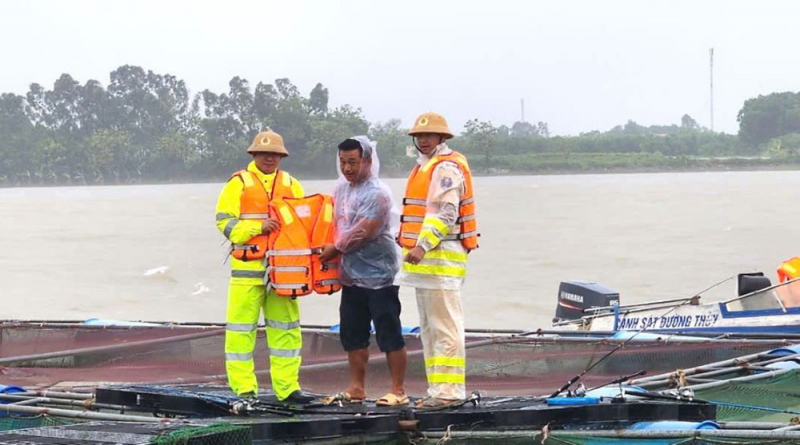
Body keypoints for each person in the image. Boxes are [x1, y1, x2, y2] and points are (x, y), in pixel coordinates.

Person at [215, 130, 315, 405]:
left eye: (274, 154)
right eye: (263, 153)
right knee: (240, 332)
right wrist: (258, 227)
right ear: (254, 154)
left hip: (284, 273)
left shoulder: (292, 184)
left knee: (286, 329)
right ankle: (244, 389)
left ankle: (288, 389)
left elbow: (303, 226)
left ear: (281, 157)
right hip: (247, 273)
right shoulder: (239, 183)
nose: (269, 158)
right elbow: (225, 223)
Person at [396, 112, 478, 409]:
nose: (424, 139)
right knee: (430, 329)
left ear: (442, 138)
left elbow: (446, 213)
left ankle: (448, 393)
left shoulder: (445, 167)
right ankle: (437, 390)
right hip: (427, 267)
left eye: (430, 135)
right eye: (420, 136)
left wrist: (421, 245)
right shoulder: (424, 167)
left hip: (440, 260)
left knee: (445, 327)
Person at [319, 136, 408, 406]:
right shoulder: (340, 189)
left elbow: (363, 232)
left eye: (353, 162)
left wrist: (333, 250)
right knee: (353, 333)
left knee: (388, 332)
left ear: (367, 160)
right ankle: (356, 388)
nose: (347, 168)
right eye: (343, 162)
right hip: (351, 275)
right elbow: (327, 221)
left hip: (380, 274)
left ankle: (399, 390)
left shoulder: (378, 193)